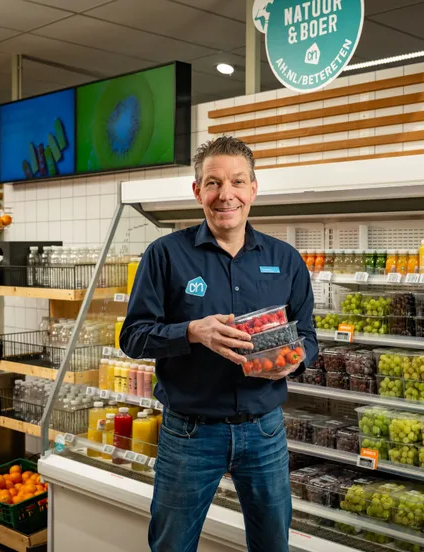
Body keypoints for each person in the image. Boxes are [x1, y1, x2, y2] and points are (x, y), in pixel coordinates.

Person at [120, 135, 318, 552]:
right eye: (213, 183)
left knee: (273, 545)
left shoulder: (285, 259)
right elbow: (133, 336)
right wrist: (192, 331)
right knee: (172, 546)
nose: (226, 194)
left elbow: (308, 335)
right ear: (197, 191)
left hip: (264, 431)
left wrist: (295, 359)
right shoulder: (165, 255)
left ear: (253, 189)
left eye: (237, 182)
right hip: (190, 433)